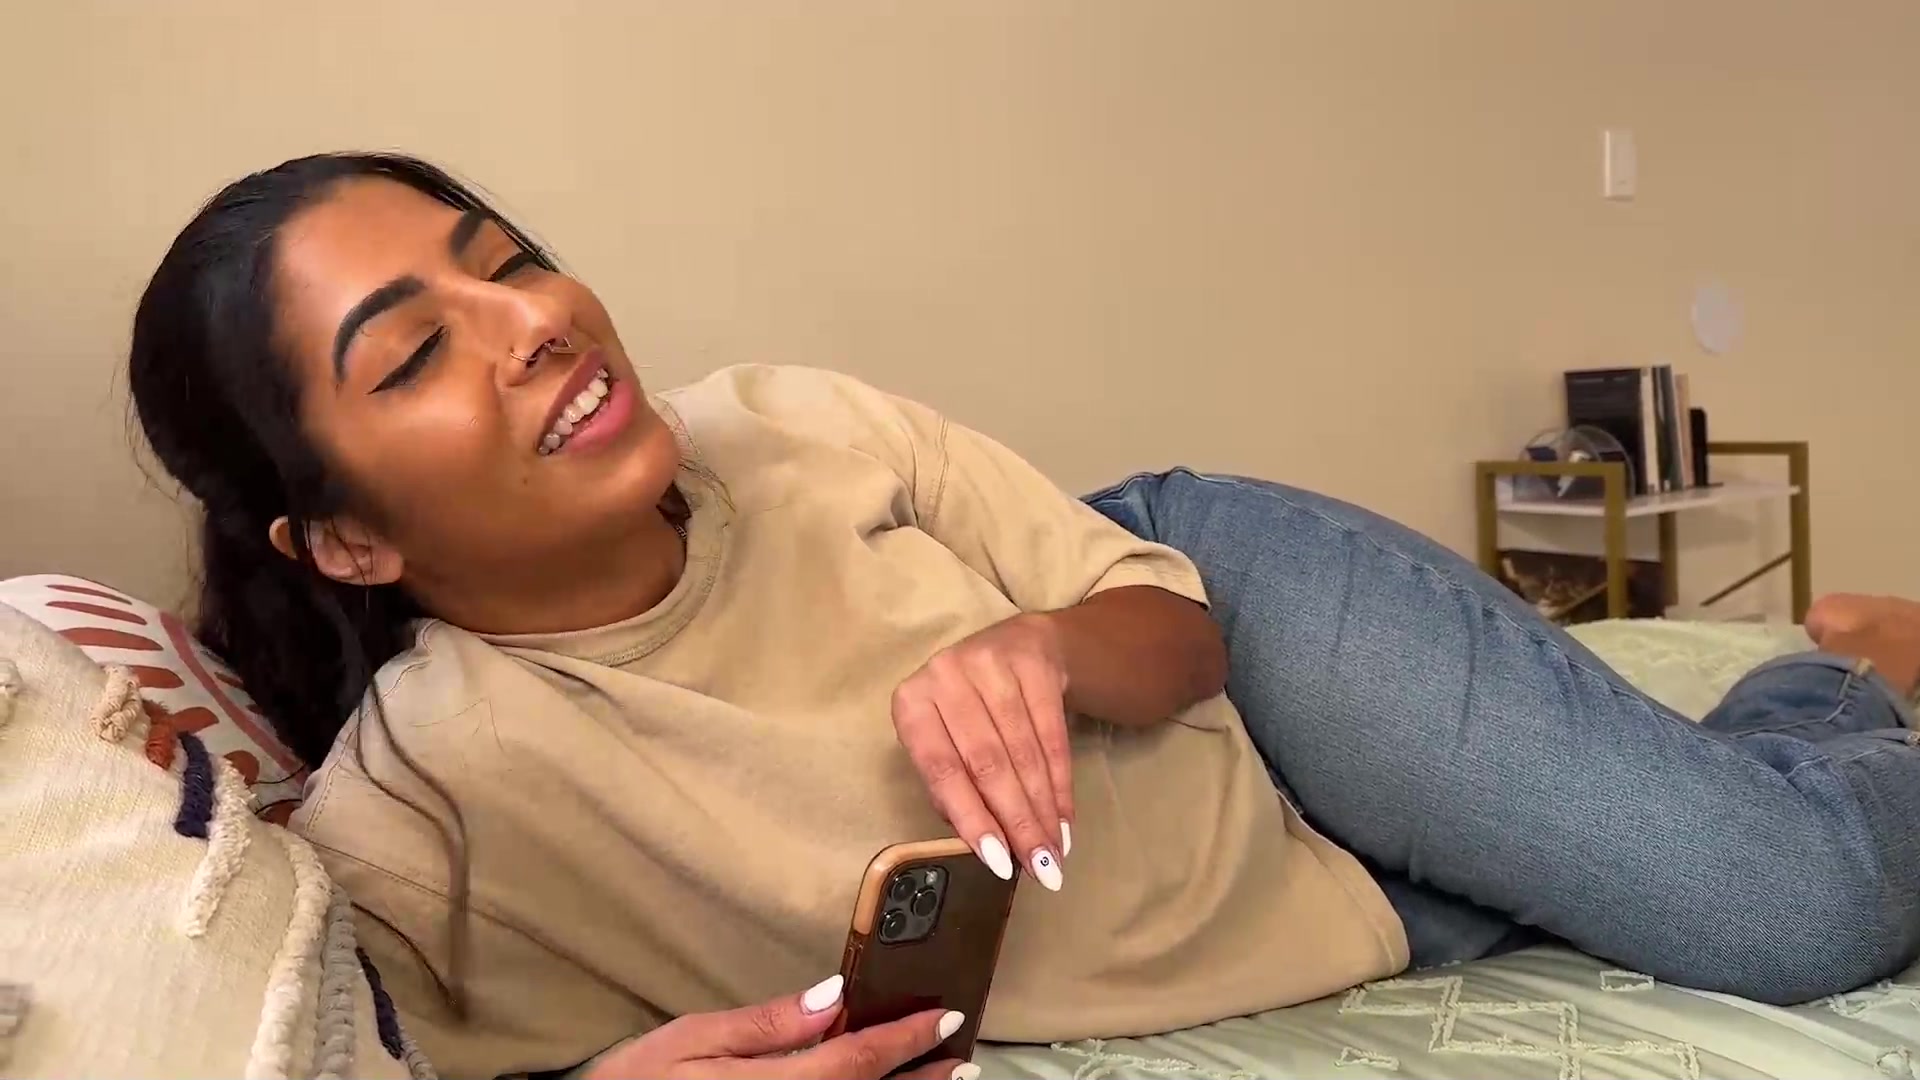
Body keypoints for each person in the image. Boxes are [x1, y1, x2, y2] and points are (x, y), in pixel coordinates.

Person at [126, 152, 1920, 1080]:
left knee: (1787, 908)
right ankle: (1808, 687)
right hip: (1313, 912)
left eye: (506, 258)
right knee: (1631, 852)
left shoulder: (792, 425)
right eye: (415, 354)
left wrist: (1043, 651)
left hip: (1236, 641)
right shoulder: (427, 813)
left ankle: (1853, 680)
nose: (535, 321)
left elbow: (1174, 627)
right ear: (344, 540)